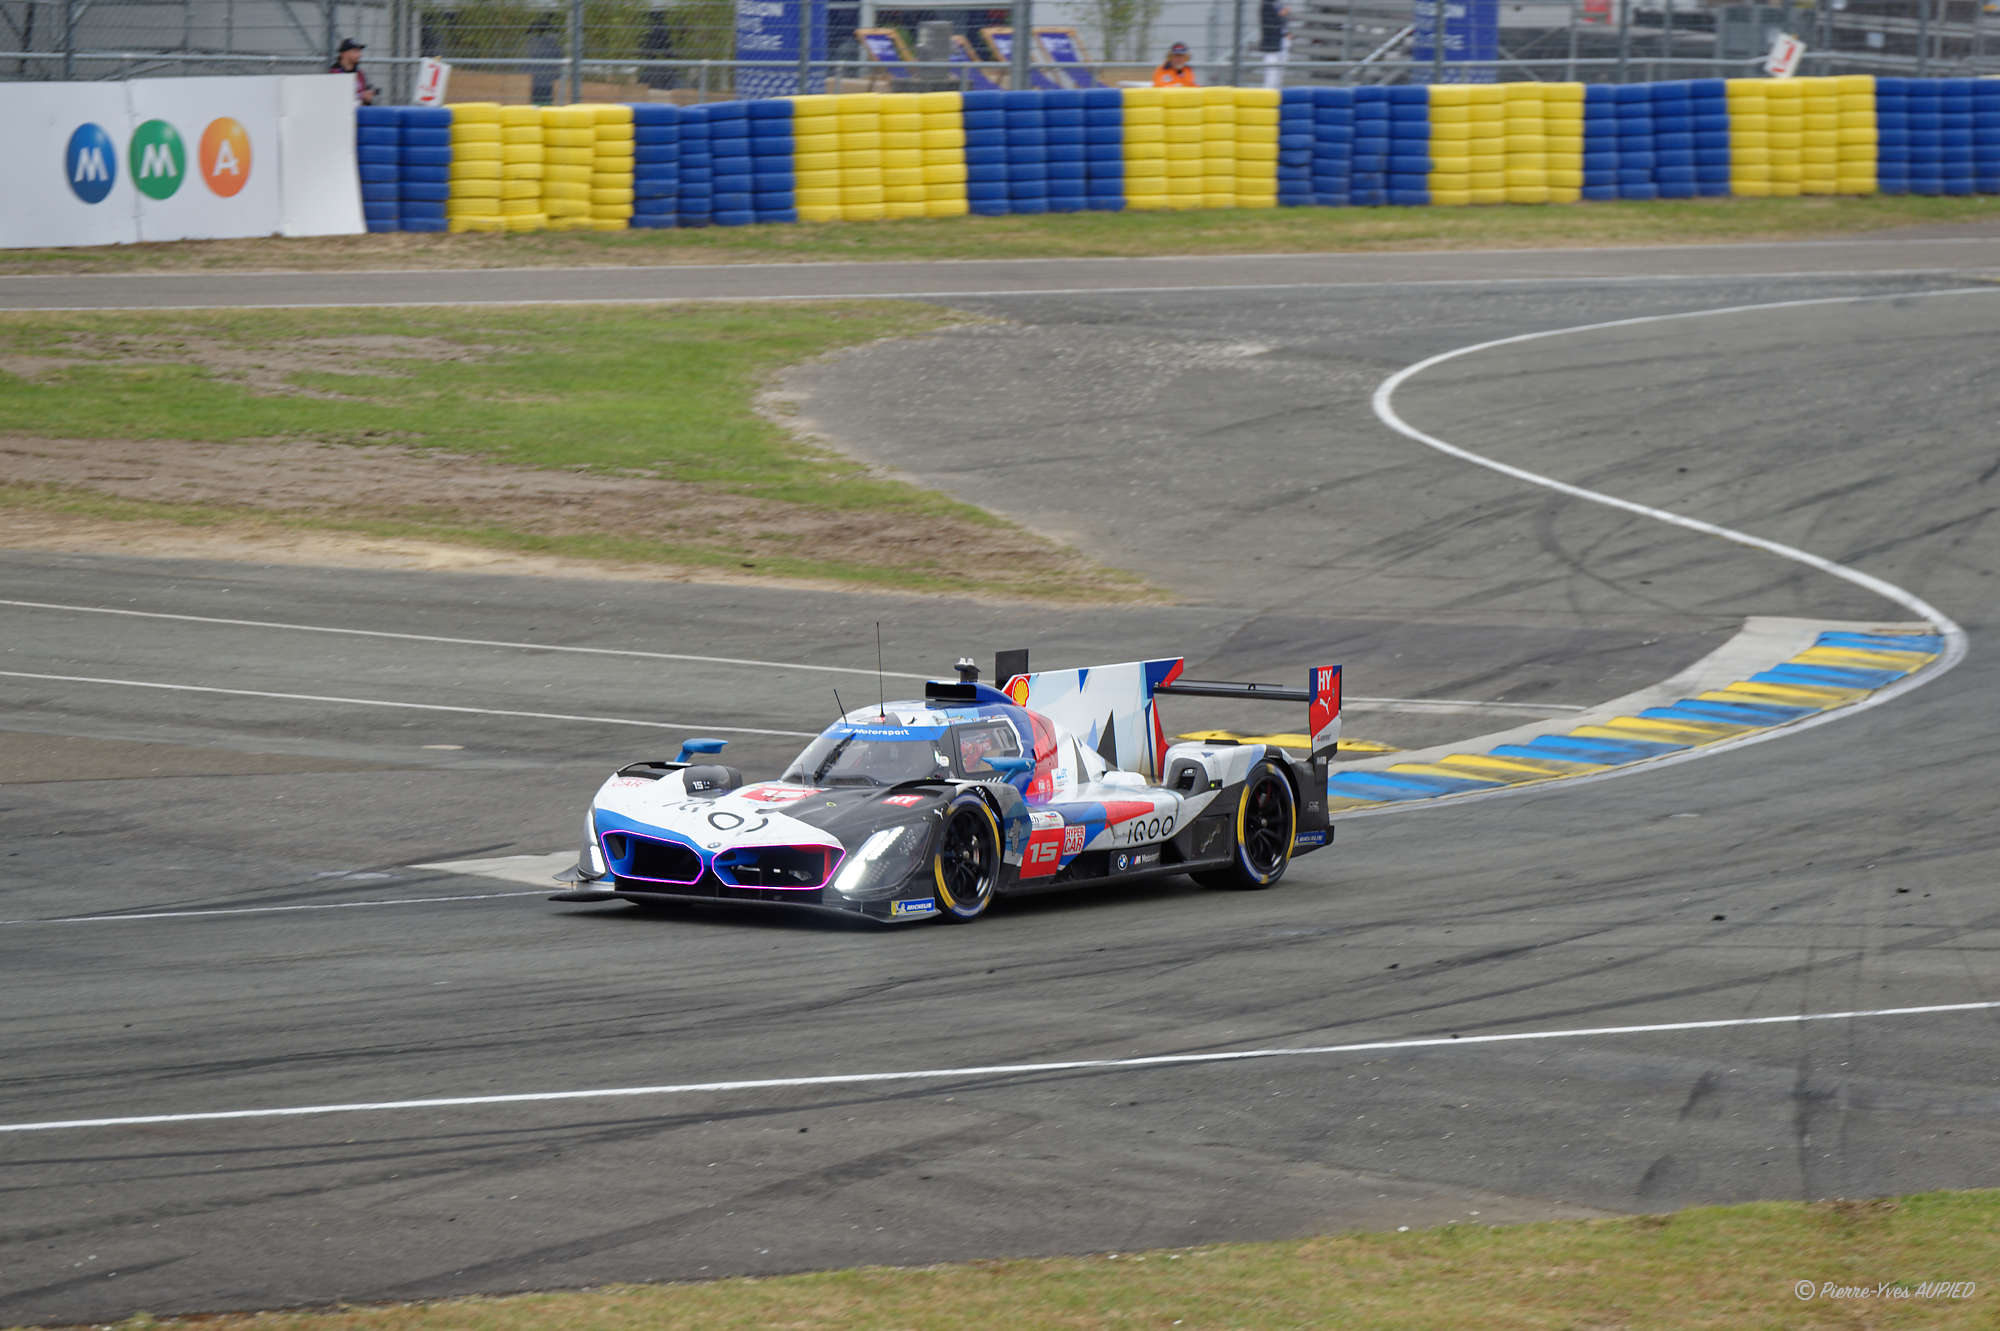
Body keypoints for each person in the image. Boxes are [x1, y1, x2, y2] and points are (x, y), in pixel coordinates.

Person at [331, 38, 376, 105]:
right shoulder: (334, 74)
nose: (360, 55)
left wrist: (367, 98)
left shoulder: (360, 74)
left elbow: (365, 101)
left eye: (359, 51)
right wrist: (361, 97)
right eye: (356, 51)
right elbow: (336, 100)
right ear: (344, 54)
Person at [1259, 1, 1290, 90]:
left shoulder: (1277, 4)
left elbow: (1283, 22)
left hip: (1281, 42)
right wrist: (1281, 14)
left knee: (1279, 75)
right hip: (1272, 44)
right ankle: (1267, 96)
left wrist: (1286, 33)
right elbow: (1270, 23)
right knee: (1271, 75)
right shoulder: (1266, 4)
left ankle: (1276, 94)